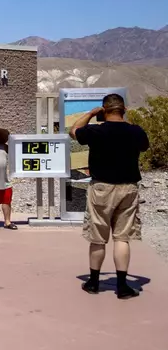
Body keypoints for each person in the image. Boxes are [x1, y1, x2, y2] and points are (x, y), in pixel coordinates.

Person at [70, 93, 149, 300]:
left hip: (102, 188)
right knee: (122, 237)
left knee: (98, 237)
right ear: (123, 110)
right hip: (128, 188)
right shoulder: (135, 131)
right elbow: (143, 144)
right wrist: (126, 119)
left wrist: (91, 113)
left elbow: (73, 131)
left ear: (104, 110)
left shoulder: (96, 130)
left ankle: (94, 282)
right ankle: (122, 286)